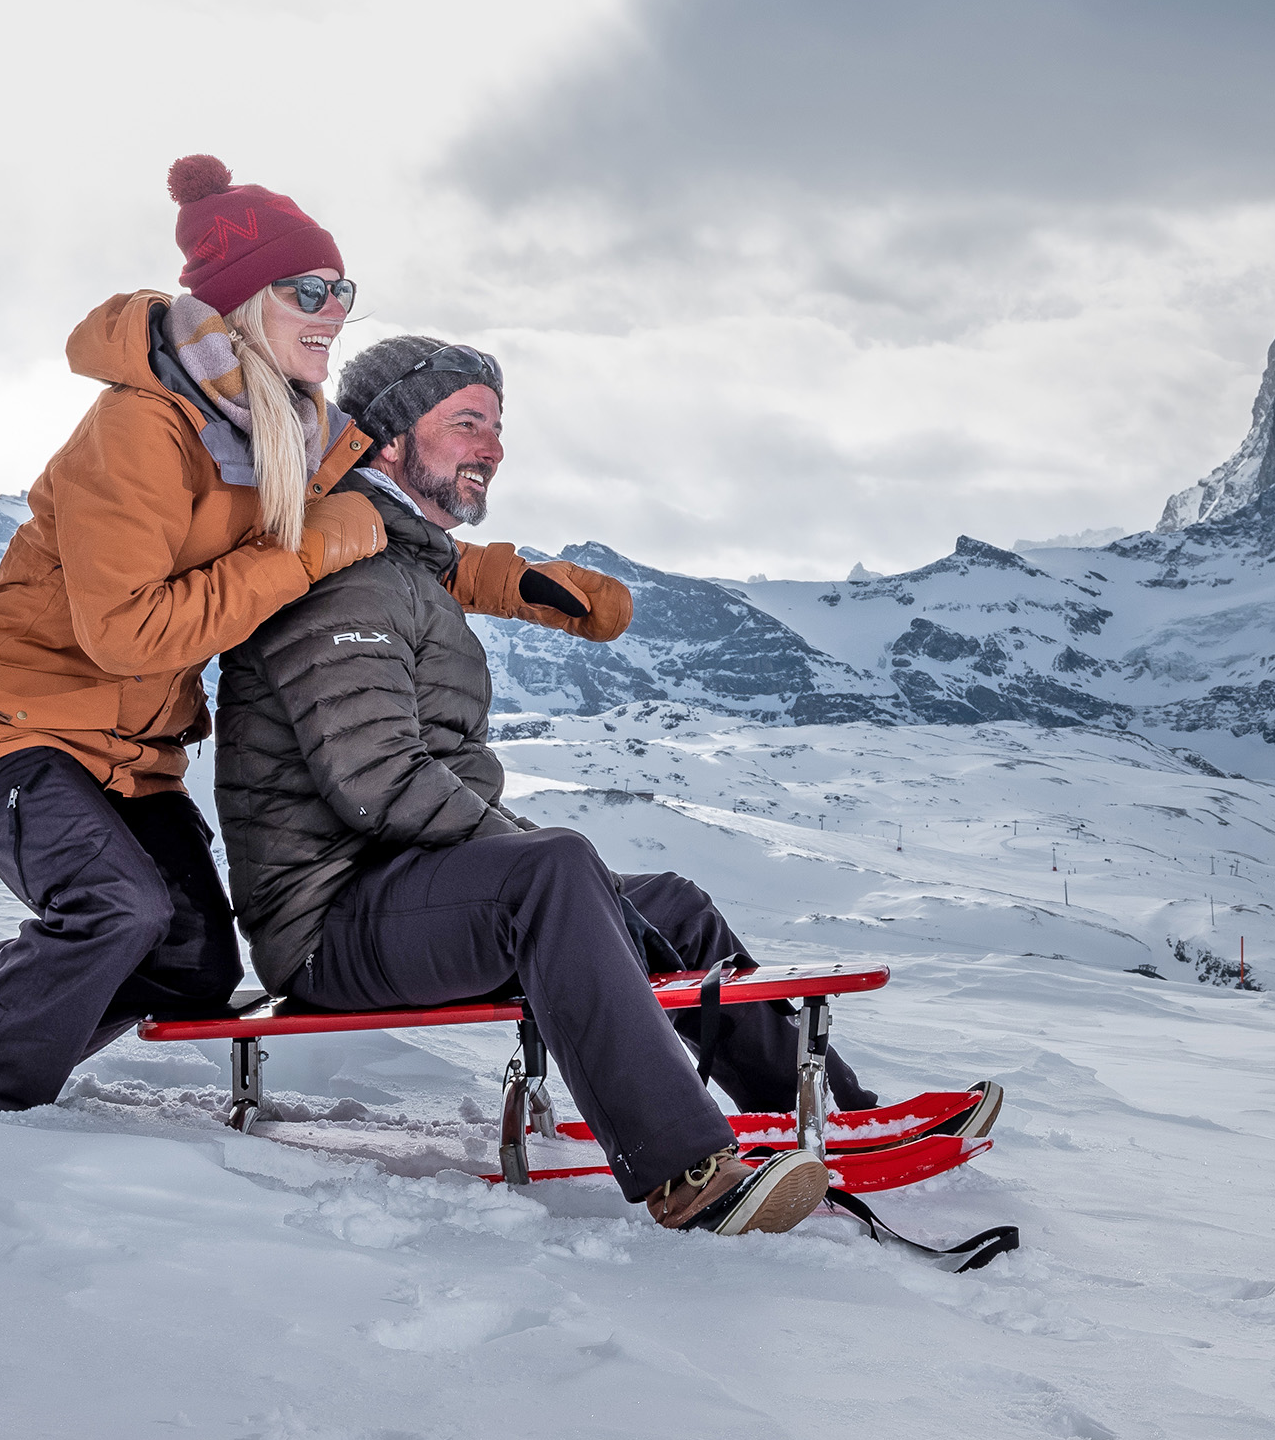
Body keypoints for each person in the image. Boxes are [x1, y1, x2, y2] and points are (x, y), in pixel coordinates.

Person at [212, 333, 880, 1236]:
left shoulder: (407, 568)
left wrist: (563, 878)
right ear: (389, 440)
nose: (492, 446)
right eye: (466, 423)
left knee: (668, 904)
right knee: (559, 871)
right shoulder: (341, 575)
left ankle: (844, 1125)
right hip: (329, 924)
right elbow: (374, 780)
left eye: (497, 426)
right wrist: (541, 866)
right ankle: (685, 1171)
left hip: (402, 891)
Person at [0, 155, 395, 1115]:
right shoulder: (142, 425)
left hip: (127, 751)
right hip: (4, 722)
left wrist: (521, 579)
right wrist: (306, 555)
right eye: (307, 289)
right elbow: (127, 632)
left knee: (187, 964)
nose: (334, 312)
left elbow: (391, 528)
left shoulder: (289, 433)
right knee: (116, 912)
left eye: (342, 291)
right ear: (236, 304)